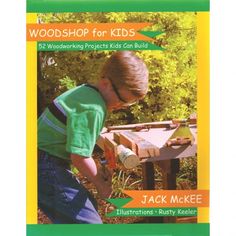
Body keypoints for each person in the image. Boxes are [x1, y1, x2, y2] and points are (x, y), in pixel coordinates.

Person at [37, 51, 149, 224]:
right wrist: (100, 183)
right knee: (90, 224)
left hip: (42, 160)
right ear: (105, 83)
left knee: (85, 210)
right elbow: (80, 157)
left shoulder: (86, 93)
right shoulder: (93, 108)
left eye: (127, 103)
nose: (121, 106)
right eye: (122, 100)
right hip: (44, 165)